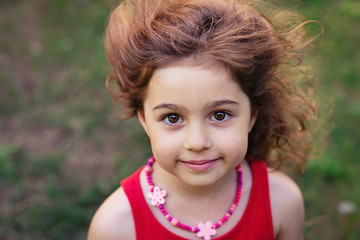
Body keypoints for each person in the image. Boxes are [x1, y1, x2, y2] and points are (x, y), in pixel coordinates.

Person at [88, 0, 320, 239]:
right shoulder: (115, 227)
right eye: (172, 117)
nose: (197, 142)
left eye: (220, 115)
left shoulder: (281, 202)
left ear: (252, 116)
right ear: (145, 121)